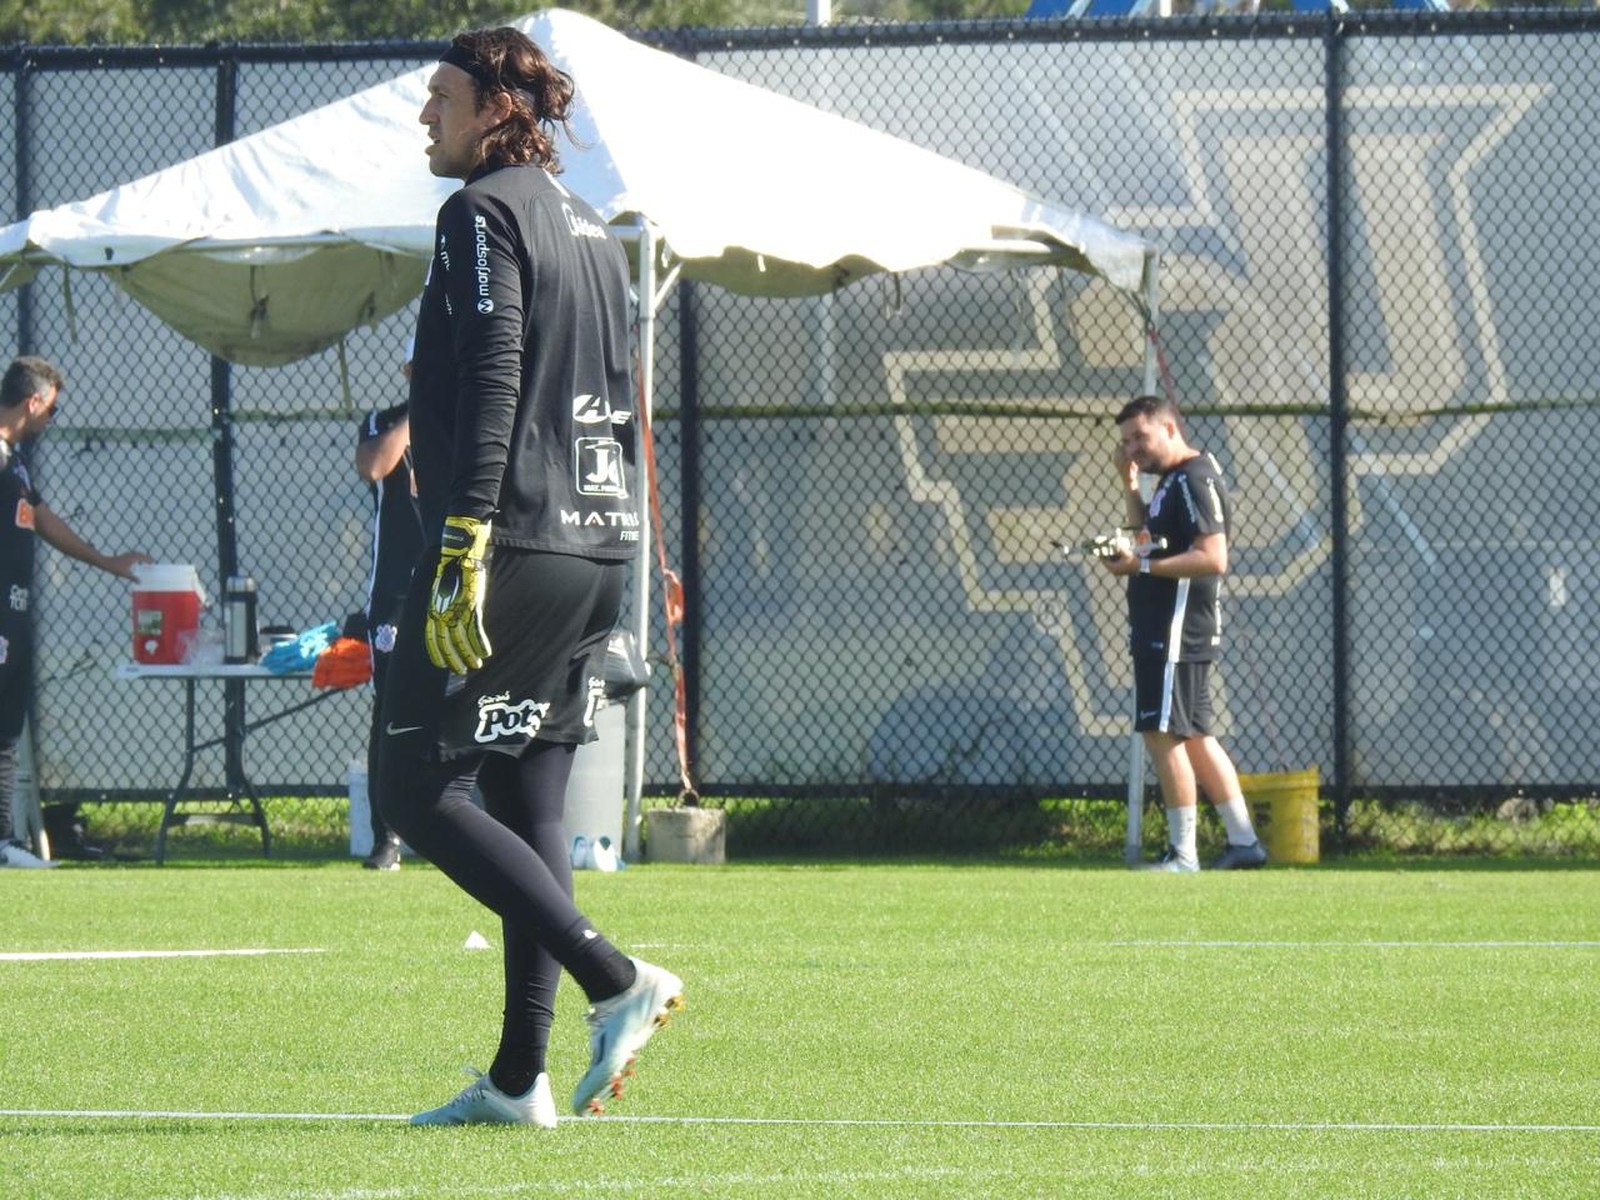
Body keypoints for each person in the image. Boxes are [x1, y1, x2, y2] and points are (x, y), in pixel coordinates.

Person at [377, 27, 683, 1128]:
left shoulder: (481, 212)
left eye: (440, 97)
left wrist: (462, 534)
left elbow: (499, 362)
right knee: (528, 791)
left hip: (504, 544)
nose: (426, 115)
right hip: (595, 544)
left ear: (494, 109)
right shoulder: (596, 225)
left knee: (414, 790)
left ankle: (616, 978)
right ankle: (519, 1079)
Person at [1099, 394, 1267, 873]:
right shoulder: (1168, 480)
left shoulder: (1195, 477)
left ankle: (1183, 853)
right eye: (1126, 440)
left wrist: (1141, 565)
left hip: (1176, 629)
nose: (1132, 447)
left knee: (1162, 731)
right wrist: (1128, 487)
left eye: (1140, 437)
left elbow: (1213, 557)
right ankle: (1244, 841)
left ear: (1169, 428)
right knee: (1194, 735)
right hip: (1162, 624)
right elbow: (1147, 539)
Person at [0, 356, 151, 868]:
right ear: (33, 402)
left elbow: (42, 518)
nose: (51, 421)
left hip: (13, 618)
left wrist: (109, 562)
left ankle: (1, 840)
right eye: (52, 410)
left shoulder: (13, 461)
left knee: (5, 729)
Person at [353, 340, 425, 871]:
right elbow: (374, 466)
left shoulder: (479, 413)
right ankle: (388, 835)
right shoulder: (385, 421)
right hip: (397, 591)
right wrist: (419, 413)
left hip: (460, 579)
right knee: (392, 705)